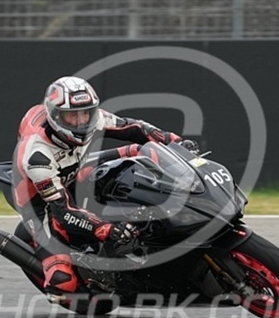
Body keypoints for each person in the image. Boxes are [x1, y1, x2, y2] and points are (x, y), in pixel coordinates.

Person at [11, 76, 184, 303]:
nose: (81, 122)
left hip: (75, 166)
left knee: (142, 151)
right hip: (41, 203)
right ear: (56, 117)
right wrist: (106, 229)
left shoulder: (94, 118)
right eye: (72, 116)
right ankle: (57, 272)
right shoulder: (37, 157)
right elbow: (63, 212)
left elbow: (134, 127)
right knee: (62, 282)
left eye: (86, 113)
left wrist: (173, 142)